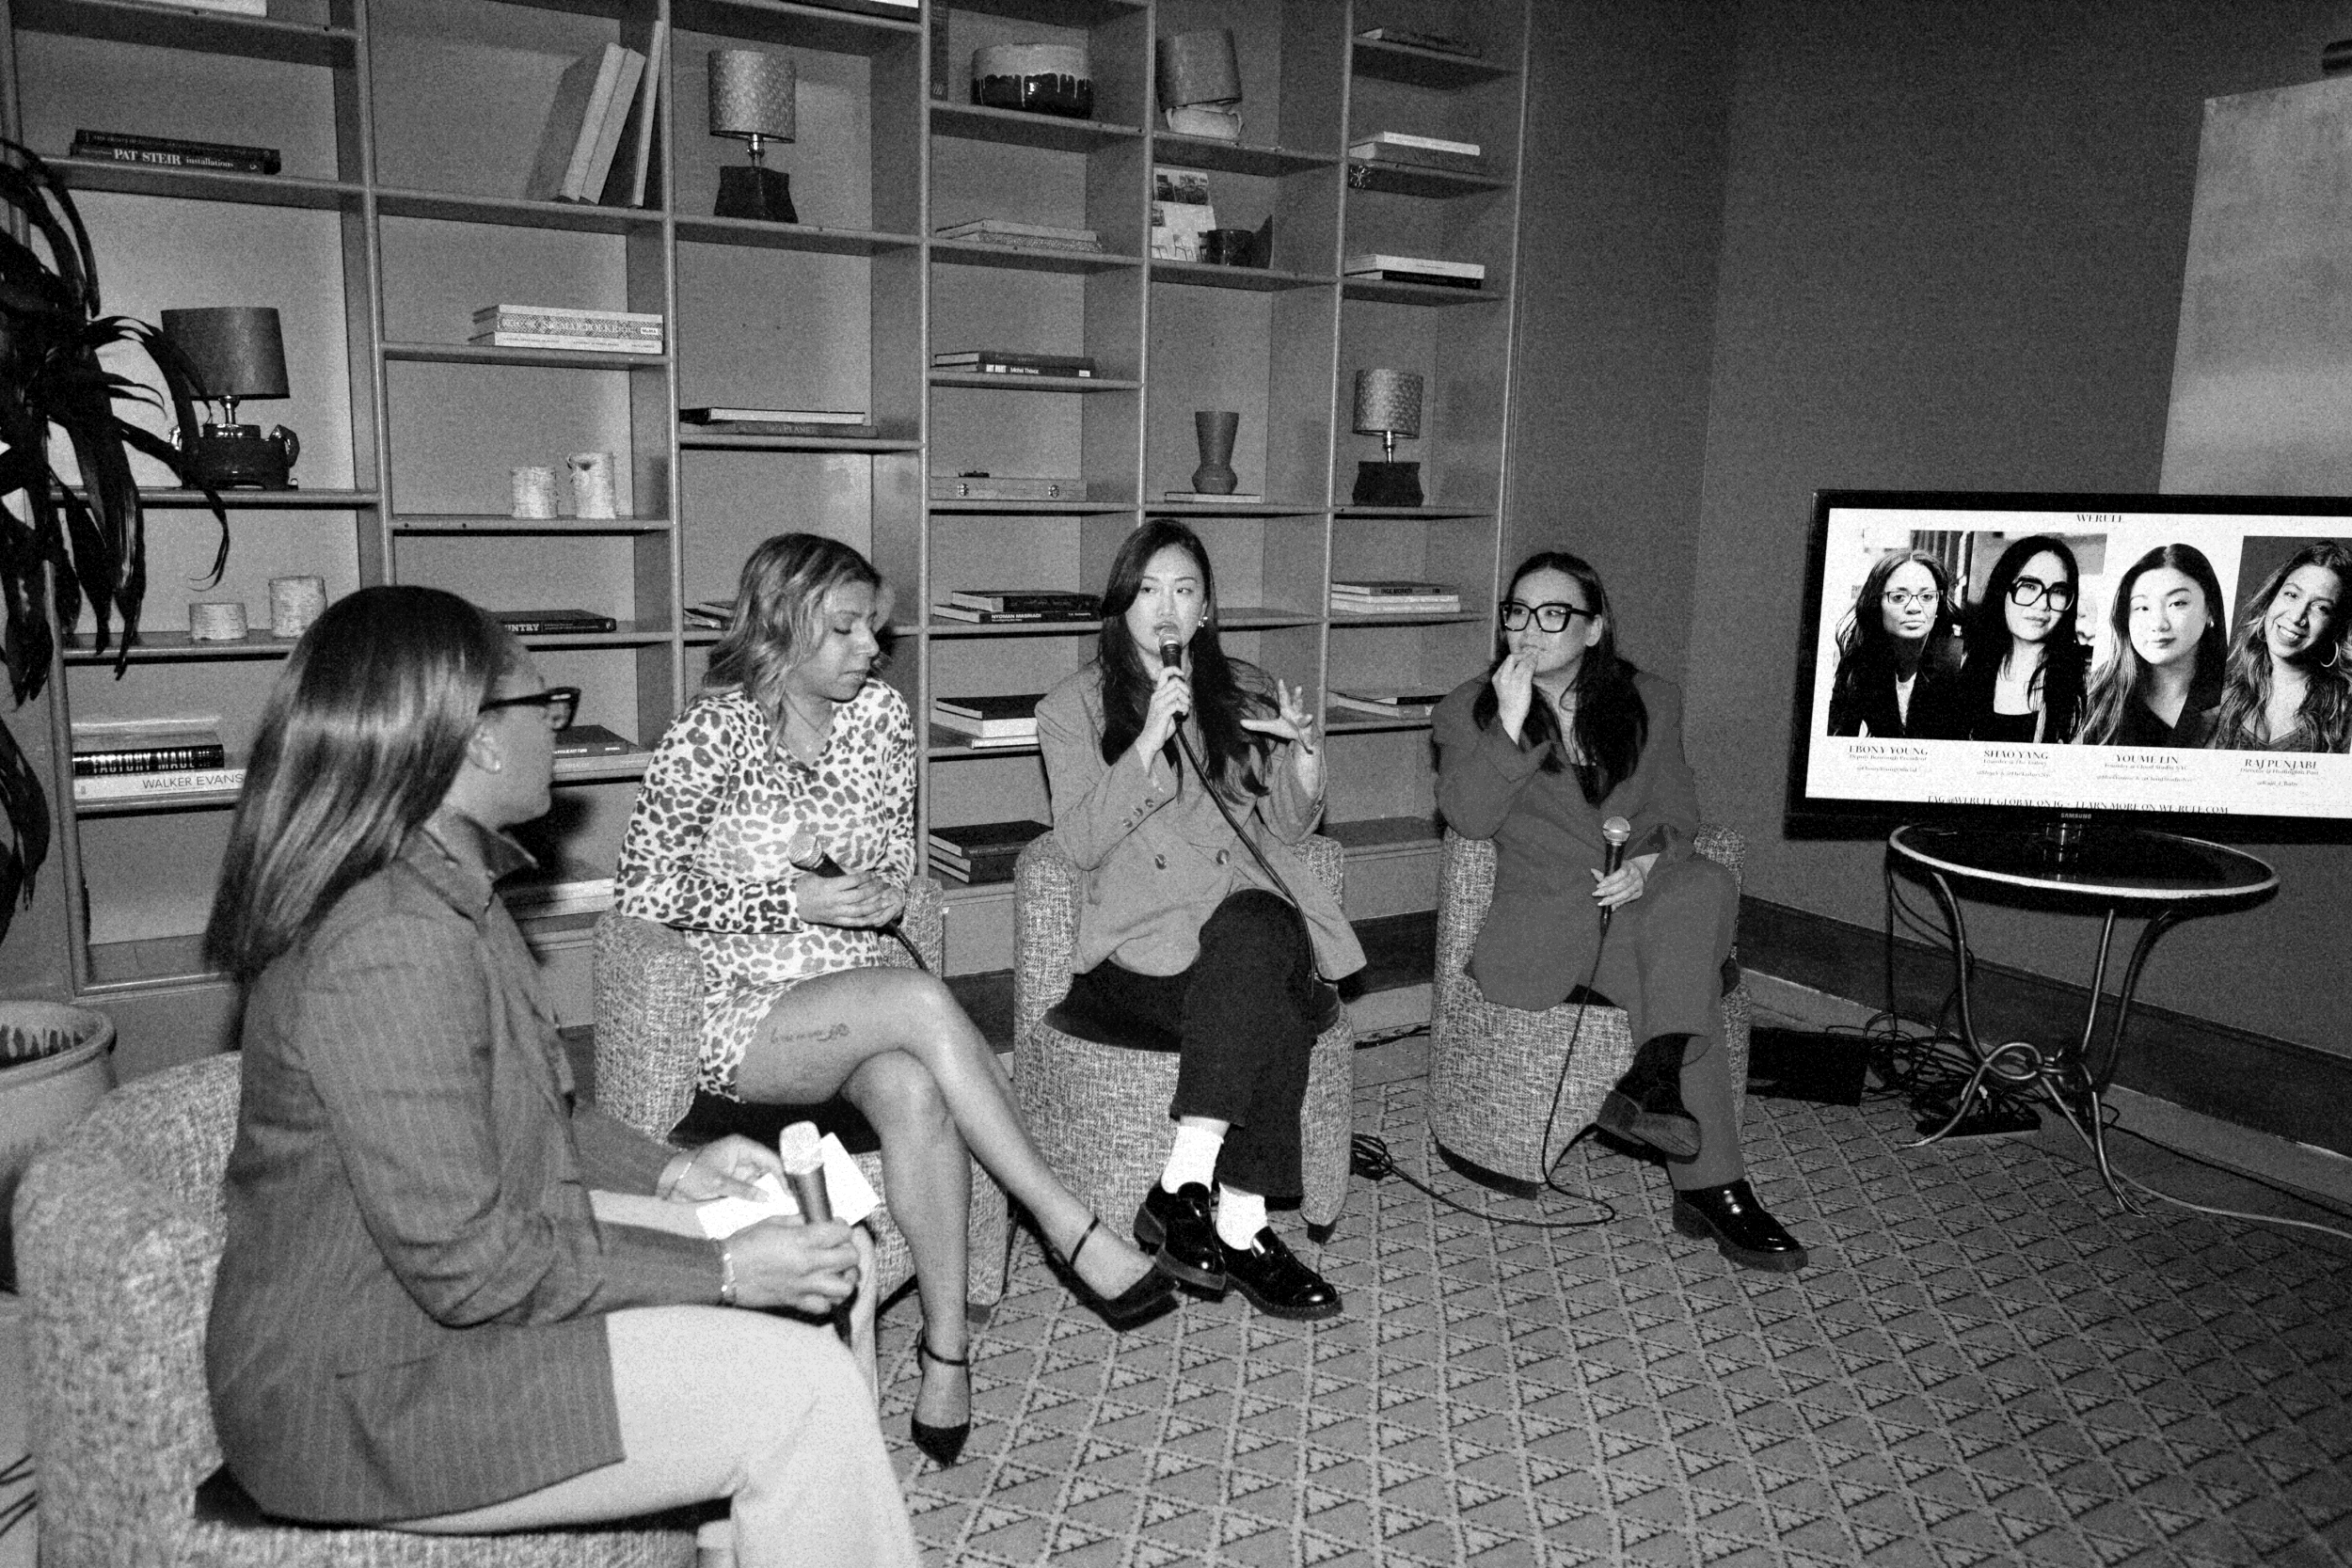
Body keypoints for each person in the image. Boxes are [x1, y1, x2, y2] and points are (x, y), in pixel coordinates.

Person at [202, 587, 918, 1568]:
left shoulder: (446, 883)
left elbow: (534, 1103)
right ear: (478, 739)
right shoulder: (389, 943)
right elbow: (469, 1263)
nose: (556, 729)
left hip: (442, 1310)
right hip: (371, 1385)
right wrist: (721, 1271)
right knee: (800, 1384)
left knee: (782, 1233)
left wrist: (675, 1174)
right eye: (547, 704)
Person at [614, 533, 1173, 1466]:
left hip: (857, 983)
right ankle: (1062, 1217)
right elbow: (641, 890)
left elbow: (886, 857)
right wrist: (782, 899)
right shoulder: (707, 731)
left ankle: (944, 1348)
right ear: (782, 623)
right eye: (845, 628)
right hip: (749, 1011)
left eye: (876, 627)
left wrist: (876, 888)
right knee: (917, 1001)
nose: (871, 648)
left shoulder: (878, 718)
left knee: (914, 1087)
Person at [1434, 550, 1808, 1274]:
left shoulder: (1650, 700)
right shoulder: (1469, 708)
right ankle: (1711, 1181)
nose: (1529, 630)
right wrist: (1509, 728)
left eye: (1553, 614)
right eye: (1517, 612)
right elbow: (1468, 818)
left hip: (1635, 902)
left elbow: (1677, 808)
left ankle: (1656, 1077)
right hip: (1542, 922)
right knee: (1684, 977)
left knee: (1702, 885)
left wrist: (1647, 862)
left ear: (1595, 626)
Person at [1034, 518, 1364, 1321]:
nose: (1167, 609)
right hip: (1140, 957)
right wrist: (1147, 741)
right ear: (1121, 608)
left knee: (1261, 930)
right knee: (1274, 980)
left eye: (1184, 590)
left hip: (1233, 935)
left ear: (1208, 609)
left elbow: (1285, 830)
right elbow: (1074, 843)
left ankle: (1193, 1189)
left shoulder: (1243, 689)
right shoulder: (1069, 708)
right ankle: (1243, 1228)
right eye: (1148, 590)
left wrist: (1305, 767)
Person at [2206, 540, 2352, 752]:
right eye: (2292, 595)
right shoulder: (2218, 697)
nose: (2296, 616)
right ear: (2271, 599)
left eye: (2321, 608)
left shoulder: (2346, 711)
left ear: (2336, 627)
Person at [1944, 536, 2090, 743]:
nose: (2042, 605)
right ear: (2003, 588)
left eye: (2058, 591)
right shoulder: (1964, 665)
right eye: (2029, 586)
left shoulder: (2081, 687)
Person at [2078, 543, 2227, 747]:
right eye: (2142, 607)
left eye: (2177, 603)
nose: (2158, 624)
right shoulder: (2091, 696)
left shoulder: (2236, 696)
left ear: (2210, 610)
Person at [1825, 547, 1963, 739]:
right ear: (1877, 605)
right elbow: (1836, 736)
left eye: (1927, 597)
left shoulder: (1959, 663)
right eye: (1899, 597)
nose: (1914, 608)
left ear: (1938, 605)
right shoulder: (1861, 661)